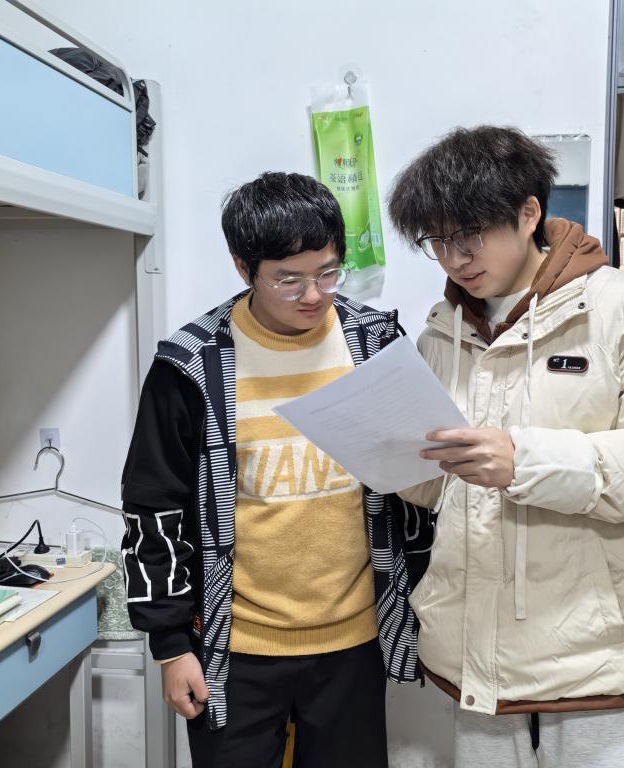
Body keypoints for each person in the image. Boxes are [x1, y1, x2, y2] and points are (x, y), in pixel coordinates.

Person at [389, 126, 624, 767]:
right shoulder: (442, 331)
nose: (455, 258)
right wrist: (390, 457)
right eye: (438, 241)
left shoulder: (623, 310)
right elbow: (436, 490)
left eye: (470, 234)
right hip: (477, 646)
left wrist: (527, 462)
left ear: (528, 213)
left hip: (594, 649)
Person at [121, 171, 423, 767]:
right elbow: (153, 506)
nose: (313, 294)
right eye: (289, 279)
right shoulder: (191, 365)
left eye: (328, 273)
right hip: (237, 647)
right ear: (244, 268)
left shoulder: (374, 344)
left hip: (354, 639)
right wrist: (170, 645)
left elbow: (414, 482)